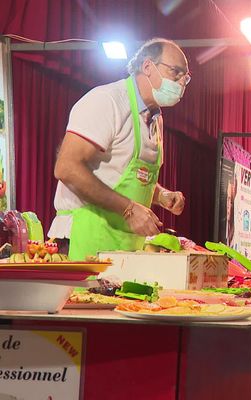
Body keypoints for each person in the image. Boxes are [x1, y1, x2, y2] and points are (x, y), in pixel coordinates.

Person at [48, 38, 189, 260]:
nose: (181, 82)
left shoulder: (155, 118)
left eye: (185, 78)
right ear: (148, 67)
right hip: (83, 238)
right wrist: (128, 210)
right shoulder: (107, 100)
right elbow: (66, 168)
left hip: (124, 249)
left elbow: (123, 175)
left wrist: (160, 195)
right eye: (175, 72)